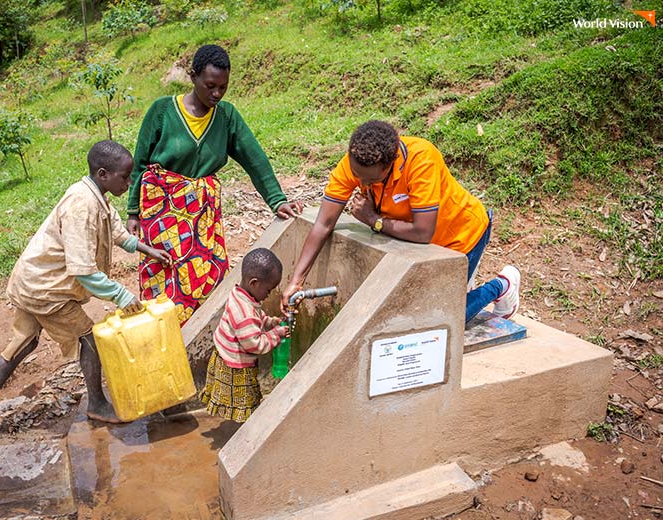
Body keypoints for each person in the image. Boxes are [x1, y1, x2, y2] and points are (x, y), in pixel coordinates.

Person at [0, 140, 173, 442]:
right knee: (90, 339)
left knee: (25, 341)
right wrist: (122, 296)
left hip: (34, 281)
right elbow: (83, 270)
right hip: (47, 289)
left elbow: (116, 231)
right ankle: (98, 404)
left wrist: (146, 249)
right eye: (124, 177)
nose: (129, 183)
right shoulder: (81, 206)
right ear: (103, 174)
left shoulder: (96, 196)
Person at [126, 44, 303, 325]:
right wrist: (133, 211)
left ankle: (201, 331)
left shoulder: (226, 116)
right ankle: (166, 336)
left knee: (208, 272)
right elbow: (140, 163)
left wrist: (277, 199)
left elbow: (253, 158)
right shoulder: (162, 112)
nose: (217, 94)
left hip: (202, 216)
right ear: (193, 76)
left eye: (223, 87)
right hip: (162, 213)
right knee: (164, 277)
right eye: (210, 86)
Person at [281, 120, 520, 323]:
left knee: (439, 319)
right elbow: (324, 224)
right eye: (357, 177)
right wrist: (296, 282)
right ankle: (458, 291)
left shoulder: (421, 160)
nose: (362, 185)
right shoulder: (356, 163)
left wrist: (373, 220)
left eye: (369, 180)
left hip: (460, 237)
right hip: (414, 247)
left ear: (390, 164)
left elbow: (423, 232)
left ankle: (502, 286)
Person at [199, 248, 290, 423]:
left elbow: (257, 318)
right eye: (269, 290)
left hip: (225, 356)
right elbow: (254, 344)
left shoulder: (240, 295)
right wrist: (275, 335)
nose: (269, 294)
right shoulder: (244, 312)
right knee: (244, 405)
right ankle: (245, 435)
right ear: (254, 283)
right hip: (236, 366)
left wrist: (270, 322)